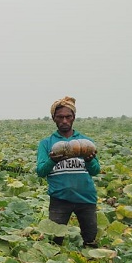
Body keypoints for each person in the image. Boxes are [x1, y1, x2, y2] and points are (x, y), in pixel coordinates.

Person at [36, 96, 100, 247]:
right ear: (54, 119)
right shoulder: (47, 143)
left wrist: (90, 160)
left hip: (86, 198)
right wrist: (53, 160)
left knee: (90, 239)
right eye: (60, 117)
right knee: (54, 242)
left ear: (73, 118)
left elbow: (96, 170)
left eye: (68, 117)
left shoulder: (86, 142)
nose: (64, 120)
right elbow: (40, 171)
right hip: (60, 199)